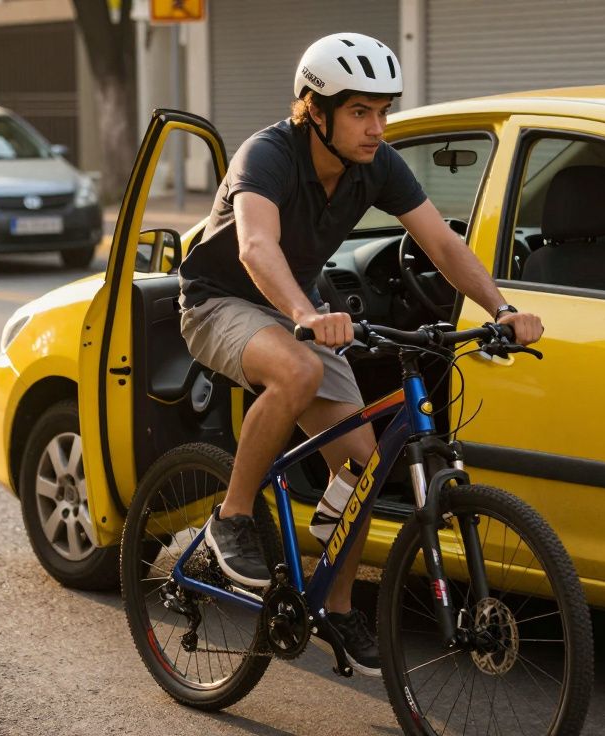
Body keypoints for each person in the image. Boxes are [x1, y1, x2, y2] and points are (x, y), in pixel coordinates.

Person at [176, 32, 544, 676]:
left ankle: (338, 606)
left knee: (362, 463)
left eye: (383, 111)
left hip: (299, 311)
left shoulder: (377, 164)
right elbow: (256, 247)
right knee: (297, 368)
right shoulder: (267, 154)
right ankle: (231, 519)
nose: (377, 127)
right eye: (359, 112)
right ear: (314, 110)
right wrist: (306, 315)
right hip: (220, 302)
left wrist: (501, 308)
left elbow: (441, 244)